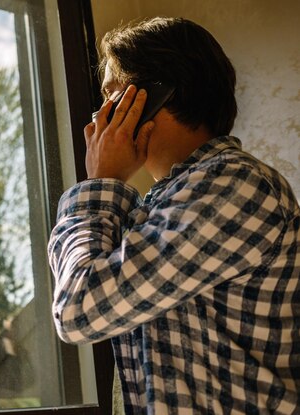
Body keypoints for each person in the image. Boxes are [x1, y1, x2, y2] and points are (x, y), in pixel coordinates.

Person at [48, 17, 299, 414]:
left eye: (110, 96)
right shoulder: (164, 204)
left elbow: (80, 309)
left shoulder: (235, 185)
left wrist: (102, 181)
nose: (96, 120)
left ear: (152, 97)